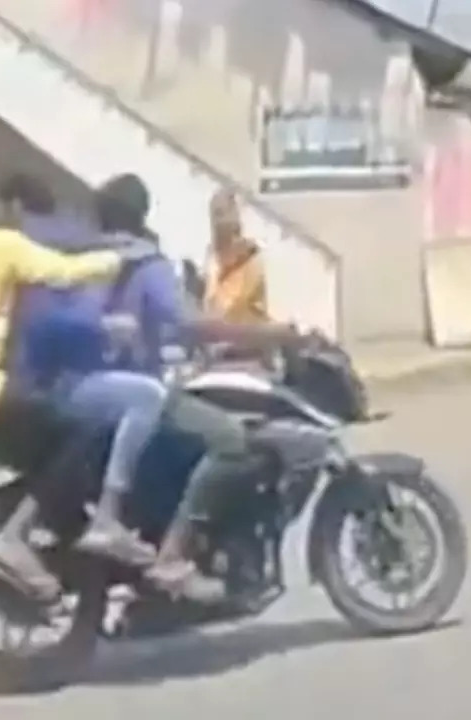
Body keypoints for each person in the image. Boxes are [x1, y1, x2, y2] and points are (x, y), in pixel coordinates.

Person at [0, 172, 137, 599]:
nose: (9, 212)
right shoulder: (0, 245)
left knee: (51, 458)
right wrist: (120, 258)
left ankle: (40, 532)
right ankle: (15, 537)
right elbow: (63, 272)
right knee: (86, 432)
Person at [92, 173, 297, 601]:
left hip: (100, 392)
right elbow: (189, 322)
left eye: (228, 214)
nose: (224, 221)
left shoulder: (90, 262)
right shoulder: (147, 265)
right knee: (232, 441)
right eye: (218, 214)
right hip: (147, 391)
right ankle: (174, 552)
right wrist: (271, 334)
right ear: (141, 214)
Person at [1, 173, 165, 567]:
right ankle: (108, 515)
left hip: (45, 378)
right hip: (54, 384)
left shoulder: (50, 249)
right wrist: (106, 328)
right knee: (149, 398)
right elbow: (53, 322)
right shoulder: (59, 256)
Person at [203, 190, 268, 323]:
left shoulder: (250, 257)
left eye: (221, 214)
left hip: (243, 334)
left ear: (235, 217)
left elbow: (231, 303)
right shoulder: (211, 255)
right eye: (215, 214)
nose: (217, 221)